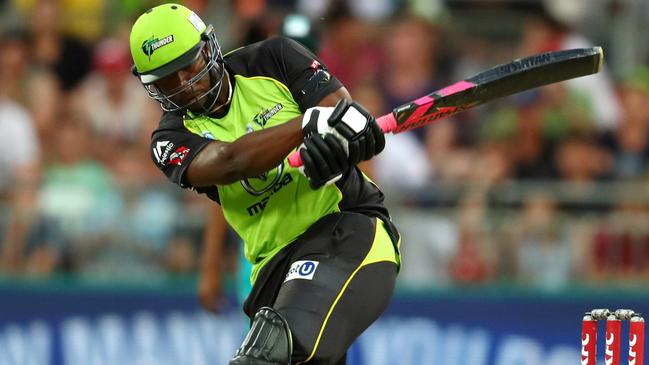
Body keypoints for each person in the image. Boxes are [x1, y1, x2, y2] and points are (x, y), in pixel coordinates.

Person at [128, 4, 400, 365]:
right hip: (272, 271)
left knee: (267, 356)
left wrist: (345, 140)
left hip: (344, 230)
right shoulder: (169, 140)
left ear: (209, 48)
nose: (183, 87)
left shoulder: (275, 58)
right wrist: (305, 125)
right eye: (166, 81)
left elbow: (340, 114)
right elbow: (230, 162)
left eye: (187, 67)